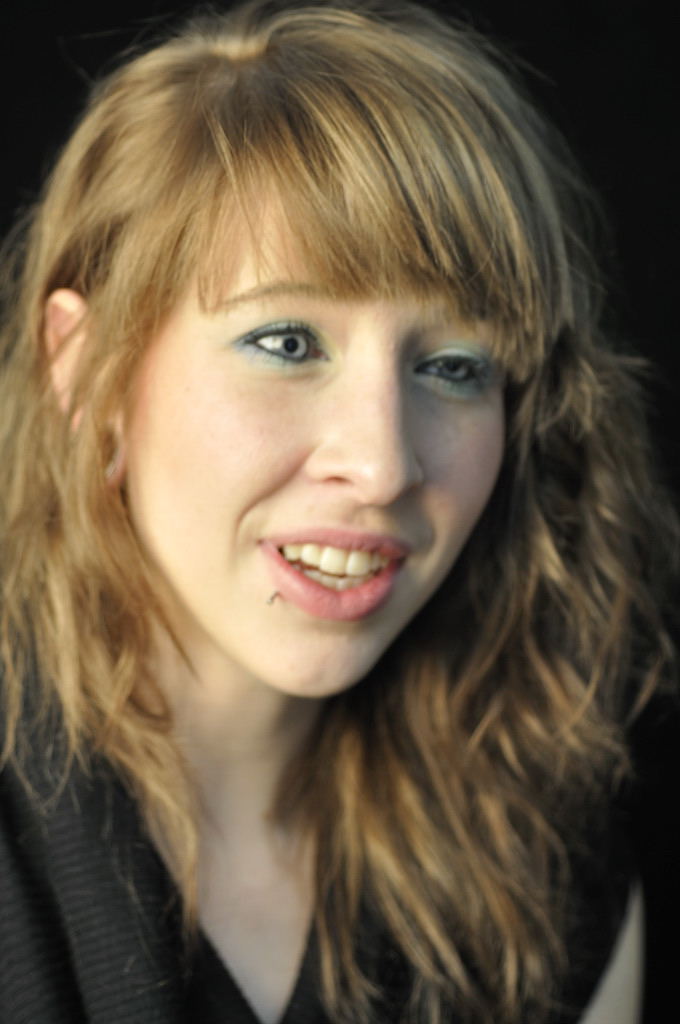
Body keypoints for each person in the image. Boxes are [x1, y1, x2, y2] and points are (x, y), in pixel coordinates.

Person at [0, 1, 676, 1022]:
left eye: (454, 365)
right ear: (87, 372)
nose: (381, 464)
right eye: (285, 343)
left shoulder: (553, 875)